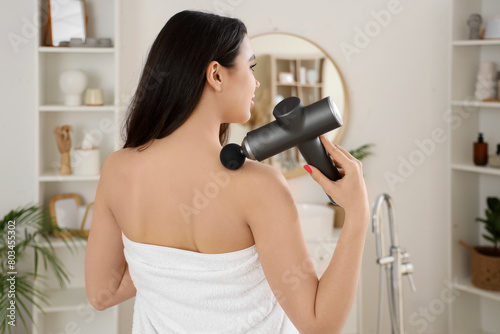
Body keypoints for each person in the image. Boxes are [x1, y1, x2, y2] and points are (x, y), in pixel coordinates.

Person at [84, 10, 369, 334]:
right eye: (250, 67)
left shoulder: (118, 170)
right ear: (216, 75)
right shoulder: (259, 186)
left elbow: (100, 294)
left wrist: (164, 265)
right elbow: (320, 325)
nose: (256, 82)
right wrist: (357, 214)